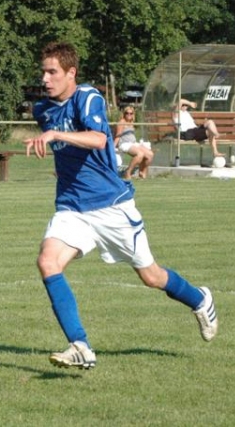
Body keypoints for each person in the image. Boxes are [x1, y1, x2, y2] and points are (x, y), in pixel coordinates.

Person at [24, 42, 218, 370]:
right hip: (72, 206)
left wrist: (57, 134)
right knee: (47, 262)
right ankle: (80, 345)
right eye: (43, 71)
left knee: (151, 276)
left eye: (52, 71)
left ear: (71, 73)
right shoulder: (42, 110)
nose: (45, 78)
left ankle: (200, 299)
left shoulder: (88, 98)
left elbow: (99, 139)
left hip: (110, 206)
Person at [114, 106, 154, 179]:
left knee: (150, 154)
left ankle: (142, 172)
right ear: (124, 114)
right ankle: (128, 172)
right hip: (124, 144)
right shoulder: (121, 122)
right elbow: (117, 136)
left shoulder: (131, 122)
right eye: (127, 113)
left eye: (131, 113)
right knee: (140, 154)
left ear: (133, 114)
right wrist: (113, 147)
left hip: (133, 143)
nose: (129, 115)